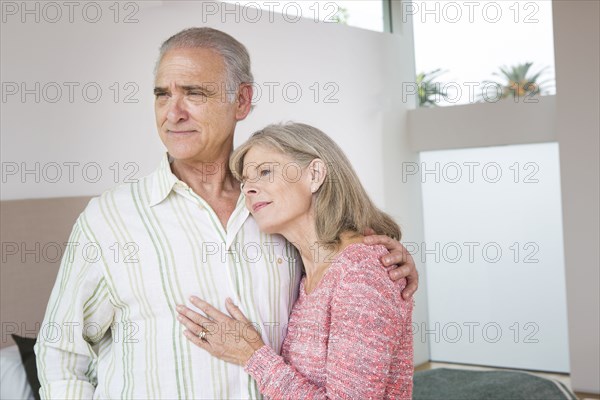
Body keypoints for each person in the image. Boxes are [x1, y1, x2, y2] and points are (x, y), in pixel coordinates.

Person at [34, 28, 418, 399]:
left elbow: (344, 275)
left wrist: (385, 260)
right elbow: (61, 352)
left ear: (242, 100)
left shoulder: (277, 213)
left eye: (194, 93)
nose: (173, 113)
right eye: (161, 95)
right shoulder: (109, 219)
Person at [176, 122, 414, 399]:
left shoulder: (360, 271)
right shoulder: (308, 271)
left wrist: (252, 354)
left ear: (314, 174)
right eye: (244, 182)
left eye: (264, 172)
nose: (248, 189)